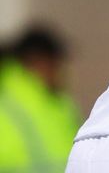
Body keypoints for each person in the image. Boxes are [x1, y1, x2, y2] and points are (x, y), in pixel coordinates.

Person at [0, 23, 81, 173]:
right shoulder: (7, 107)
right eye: (56, 64)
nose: (61, 72)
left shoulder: (60, 105)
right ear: (37, 62)